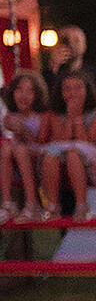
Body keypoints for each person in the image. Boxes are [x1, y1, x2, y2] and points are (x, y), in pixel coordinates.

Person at [39, 65, 96, 216]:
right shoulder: (55, 115)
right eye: (67, 88)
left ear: (87, 90)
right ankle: (53, 205)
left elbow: (87, 142)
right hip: (62, 164)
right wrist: (70, 118)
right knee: (51, 154)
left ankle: (82, 205)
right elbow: (61, 141)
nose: (73, 93)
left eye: (78, 88)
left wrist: (77, 118)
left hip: (94, 161)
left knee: (73, 154)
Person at [0, 68, 46, 219]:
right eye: (19, 90)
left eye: (29, 91)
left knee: (19, 149)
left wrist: (24, 132)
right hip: (17, 163)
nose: (23, 95)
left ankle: (32, 203)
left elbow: (42, 143)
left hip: (39, 161)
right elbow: (8, 128)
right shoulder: (10, 116)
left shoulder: (42, 117)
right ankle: (7, 203)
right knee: (6, 147)